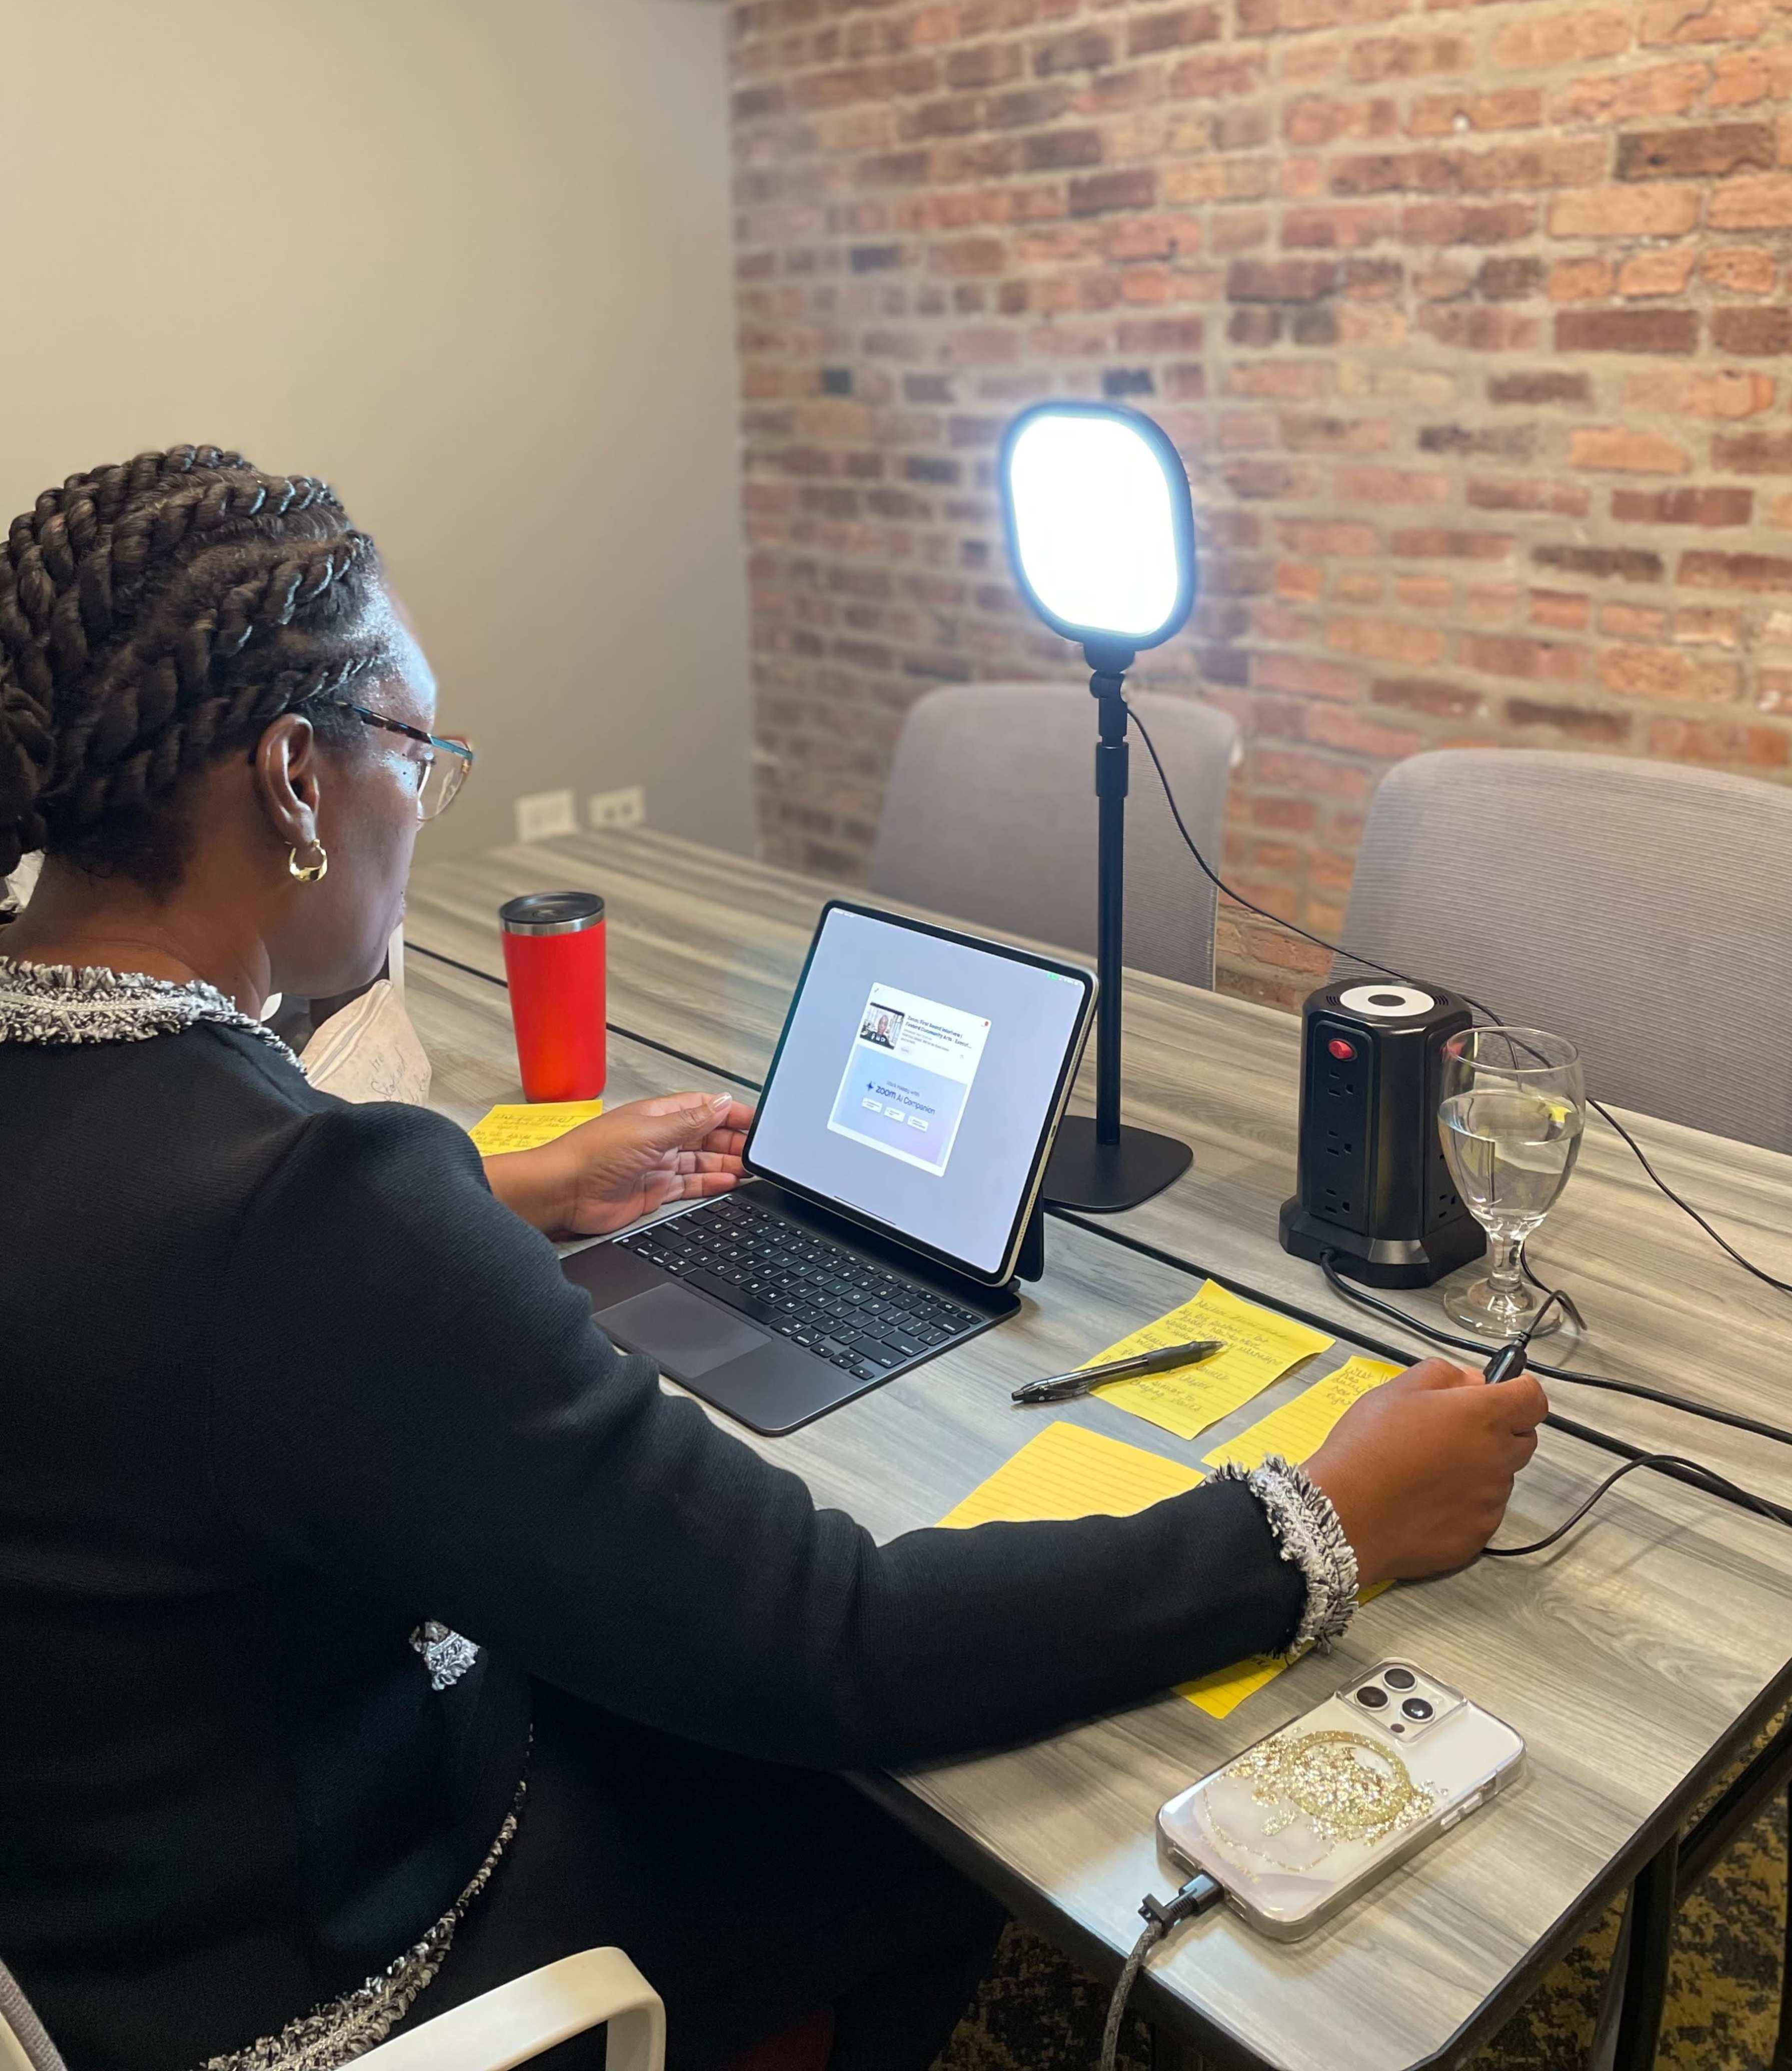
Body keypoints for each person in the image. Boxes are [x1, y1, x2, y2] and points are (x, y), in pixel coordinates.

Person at [0, 447, 1547, 2071]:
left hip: (115, 1917)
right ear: (296, 782)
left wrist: (502, 1186)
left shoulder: (140, 1123)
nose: (424, 798)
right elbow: (845, 1637)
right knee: (944, 1824)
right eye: (416, 747)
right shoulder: (313, 1213)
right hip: (346, 1961)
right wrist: (1328, 1521)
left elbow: (180, 1245)